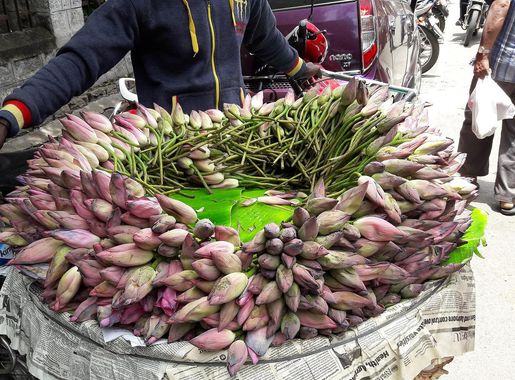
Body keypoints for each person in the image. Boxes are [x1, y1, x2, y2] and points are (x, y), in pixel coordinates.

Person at [0, 0, 319, 149]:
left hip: (237, 138)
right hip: (170, 150)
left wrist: (300, 69)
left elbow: (265, 37)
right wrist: (13, 115)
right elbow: (82, 59)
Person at [457, 0, 514, 214]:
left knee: (479, 115)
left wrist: (483, 53)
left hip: (503, 61)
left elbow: (501, 4)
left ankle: (468, 177)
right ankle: (508, 194)